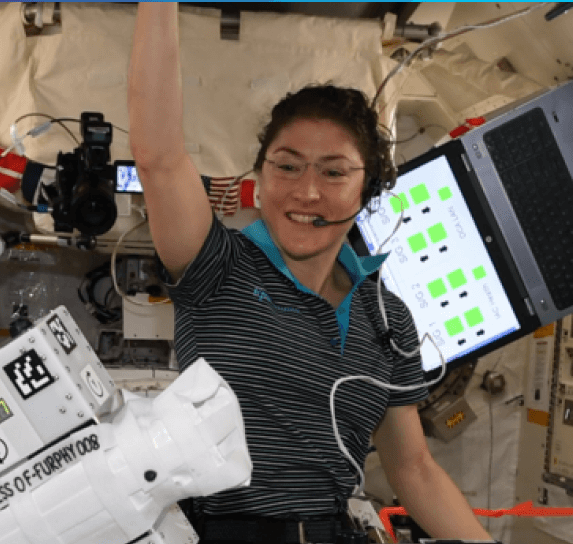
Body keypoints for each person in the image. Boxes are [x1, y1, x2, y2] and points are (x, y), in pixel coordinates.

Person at [128, 3, 494, 543]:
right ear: (260, 173)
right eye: (288, 165)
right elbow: (158, 155)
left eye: (334, 172)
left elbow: (413, 469)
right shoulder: (217, 265)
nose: (307, 191)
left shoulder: (386, 317)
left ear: (366, 189)